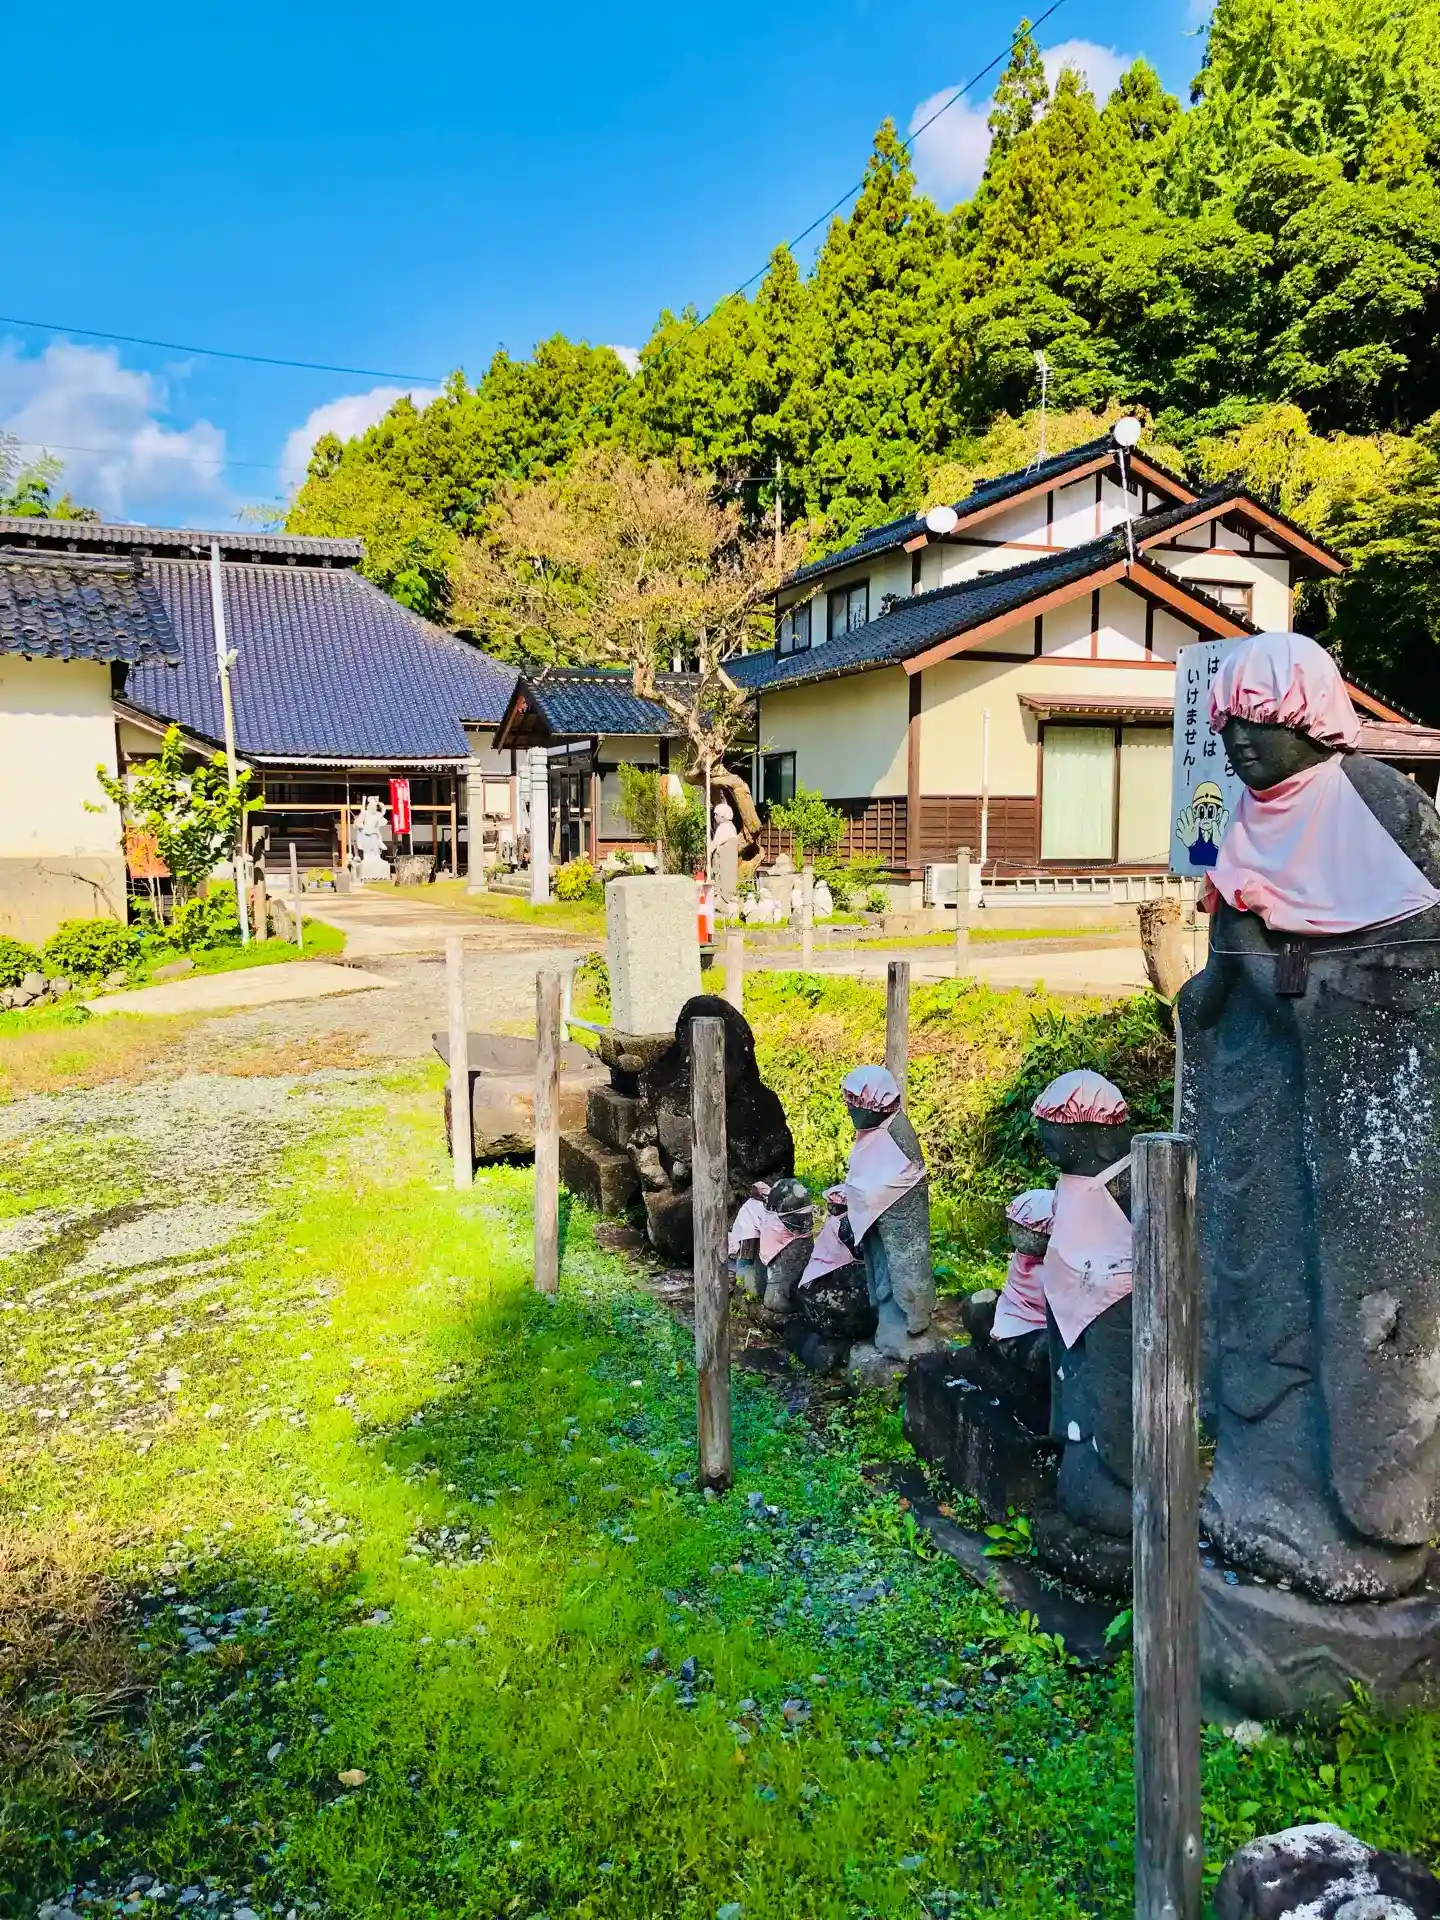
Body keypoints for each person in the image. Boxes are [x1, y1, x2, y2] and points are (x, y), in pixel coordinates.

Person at [1180, 630, 1440, 1601]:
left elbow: (1412, 981)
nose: (1241, 741)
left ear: (1313, 720)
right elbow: (1222, 982)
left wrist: (1285, 976)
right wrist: (1218, 978)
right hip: (1258, 1115)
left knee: (1357, 1308)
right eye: (1229, 726)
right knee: (1257, 1284)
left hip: (1357, 1133)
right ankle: (1257, 1481)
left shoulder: (1379, 808)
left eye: (1263, 720)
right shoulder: (1245, 823)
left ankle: (1363, 1523)